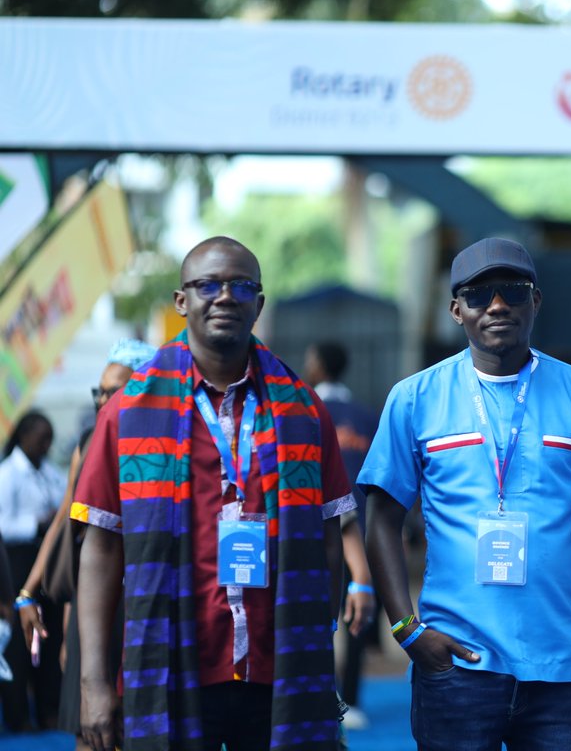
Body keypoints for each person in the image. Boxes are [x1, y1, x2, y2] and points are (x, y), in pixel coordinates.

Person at [72, 236, 356, 751]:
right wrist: (93, 683)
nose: (225, 296)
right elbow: (101, 545)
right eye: (208, 285)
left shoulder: (304, 409)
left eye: (241, 286)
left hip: (279, 671)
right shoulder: (129, 411)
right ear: (182, 301)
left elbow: (327, 537)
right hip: (172, 668)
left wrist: (317, 644)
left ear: (259, 303)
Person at [360, 237, 571, 750]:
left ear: (535, 301)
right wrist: (405, 627)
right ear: (455, 310)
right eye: (478, 294)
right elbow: (381, 516)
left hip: (562, 669)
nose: (496, 305)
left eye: (513, 290)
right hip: (457, 665)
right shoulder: (415, 398)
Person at [18, 338, 157, 750]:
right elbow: (65, 524)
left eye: (115, 391)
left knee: (140, 730)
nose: (102, 401)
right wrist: (31, 594)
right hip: (93, 603)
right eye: (99, 391)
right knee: (89, 732)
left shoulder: (165, 443)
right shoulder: (88, 440)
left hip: (143, 602)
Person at [303, 341, 379, 731]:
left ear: (317, 364)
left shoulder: (305, 411)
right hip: (361, 529)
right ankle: (350, 699)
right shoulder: (367, 416)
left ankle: (318, 693)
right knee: (355, 617)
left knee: (313, 615)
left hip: (315, 531)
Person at [0, 409, 66, 731]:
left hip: (45, 566)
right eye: (42, 439)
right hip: (16, 564)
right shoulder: (7, 474)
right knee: (17, 644)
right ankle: (18, 716)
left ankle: (48, 710)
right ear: (24, 436)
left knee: (48, 638)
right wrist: (37, 522)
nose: (46, 446)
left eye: (49, 440)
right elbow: (1, 523)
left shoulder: (48, 471)